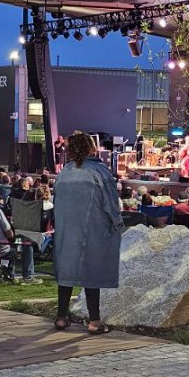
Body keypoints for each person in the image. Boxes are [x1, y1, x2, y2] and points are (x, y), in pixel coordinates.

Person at [52, 130, 122, 333]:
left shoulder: (64, 173)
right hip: (93, 228)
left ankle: (61, 317)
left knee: (67, 272)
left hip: (66, 230)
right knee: (92, 272)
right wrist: (117, 225)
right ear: (92, 149)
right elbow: (111, 204)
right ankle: (94, 321)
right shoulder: (100, 173)